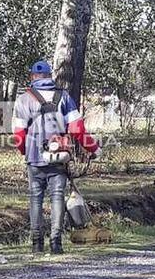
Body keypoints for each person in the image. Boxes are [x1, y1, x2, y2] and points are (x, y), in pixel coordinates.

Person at [12, 60, 98, 254]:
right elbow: (77, 129)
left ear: (33, 77)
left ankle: (36, 244)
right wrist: (93, 148)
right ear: (50, 76)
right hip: (60, 156)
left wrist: (25, 151)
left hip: (35, 157)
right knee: (57, 196)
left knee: (36, 198)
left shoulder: (23, 100)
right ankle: (56, 243)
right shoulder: (64, 97)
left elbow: (18, 134)